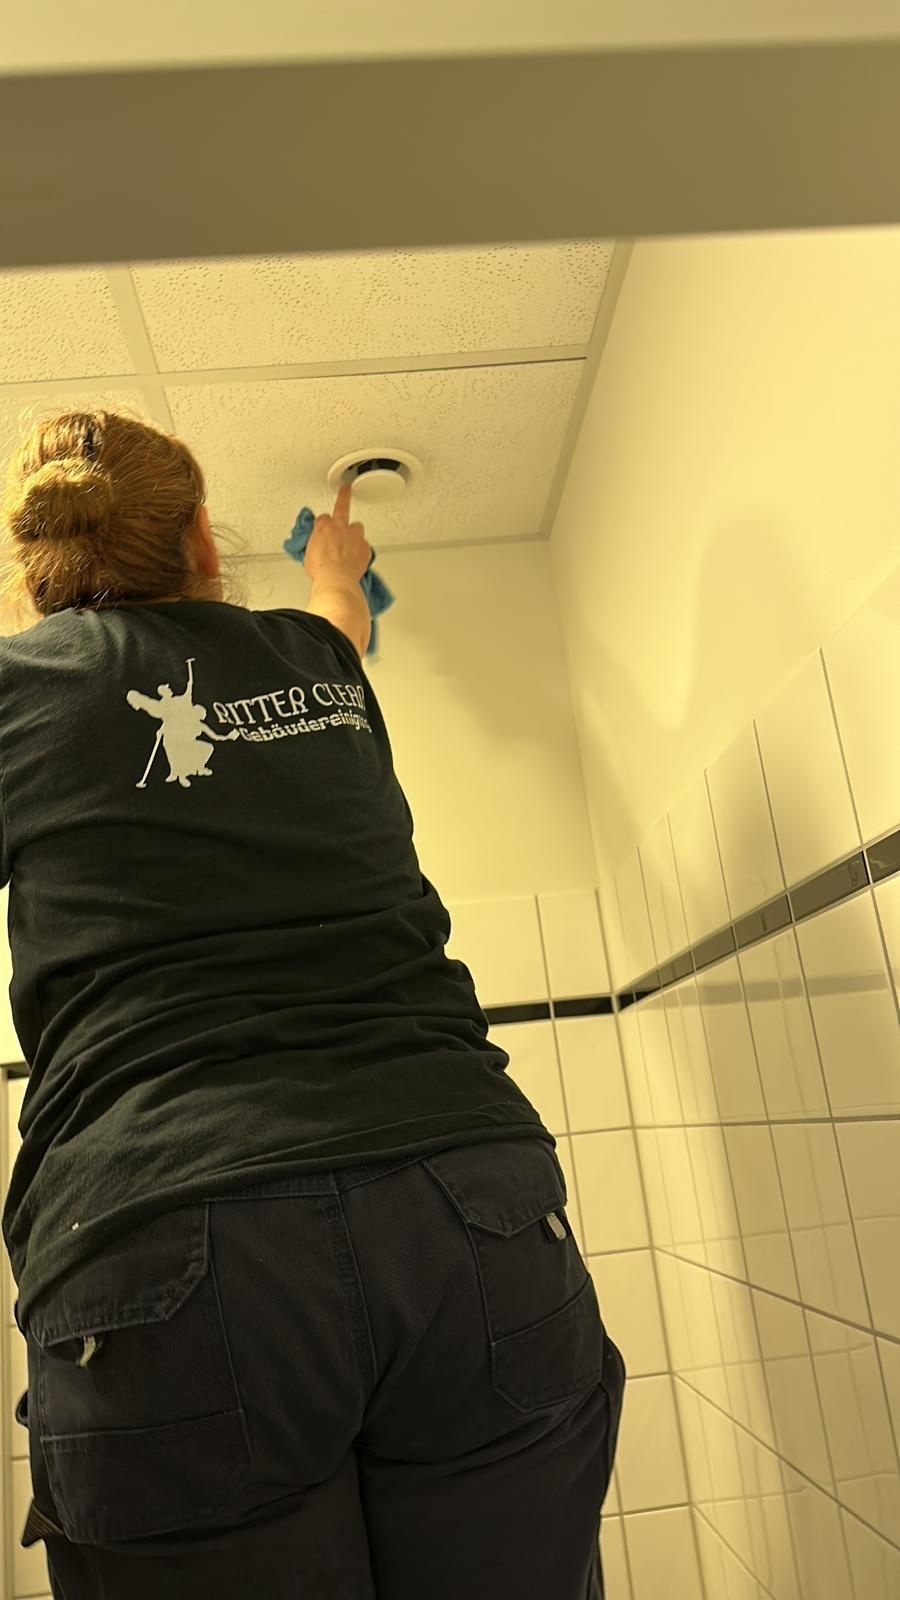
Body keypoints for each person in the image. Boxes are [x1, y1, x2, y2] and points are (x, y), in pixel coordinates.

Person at [0, 409, 624, 1600]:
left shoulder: (13, 689)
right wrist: (337, 561)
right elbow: (341, 616)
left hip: (161, 1237)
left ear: (39, 571)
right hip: (468, 1211)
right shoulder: (308, 658)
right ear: (202, 538)